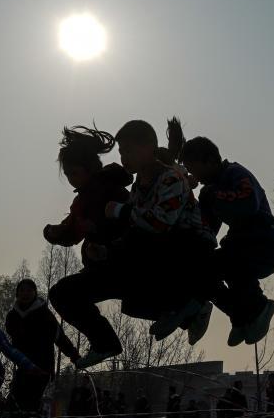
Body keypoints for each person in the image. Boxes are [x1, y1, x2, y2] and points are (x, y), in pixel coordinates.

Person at [49, 119, 210, 369]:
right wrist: (103, 250)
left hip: (169, 256)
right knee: (63, 293)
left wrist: (117, 215)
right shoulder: (134, 187)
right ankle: (107, 341)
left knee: (132, 283)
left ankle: (185, 307)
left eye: (127, 151)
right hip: (119, 261)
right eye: (121, 152)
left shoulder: (144, 185)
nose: (123, 158)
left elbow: (154, 224)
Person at [167, 130, 274, 347]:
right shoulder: (209, 192)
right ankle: (240, 316)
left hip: (264, 243)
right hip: (241, 245)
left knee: (232, 261)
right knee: (206, 269)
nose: (195, 176)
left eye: (195, 168)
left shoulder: (235, 173)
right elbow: (207, 228)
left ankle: (259, 306)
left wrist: (214, 195)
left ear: (210, 161)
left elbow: (248, 203)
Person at [4, 279, 79, 418]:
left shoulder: (44, 314)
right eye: (22, 290)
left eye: (29, 290)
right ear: (17, 293)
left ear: (35, 293)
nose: (25, 293)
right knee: (17, 403)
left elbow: (59, 336)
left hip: (42, 367)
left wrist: (73, 354)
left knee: (35, 403)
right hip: (23, 367)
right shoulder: (12, 316)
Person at [44, 126, 133, 267]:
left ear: (90, 168)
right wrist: (56, 233)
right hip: (95, 265)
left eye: (74, 173)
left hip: (121, 261)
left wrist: (101, 237)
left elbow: (130, 223)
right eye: (67, 175)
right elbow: (74, 233)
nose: (71, 179)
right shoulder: (79, 203)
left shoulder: (111, 189)